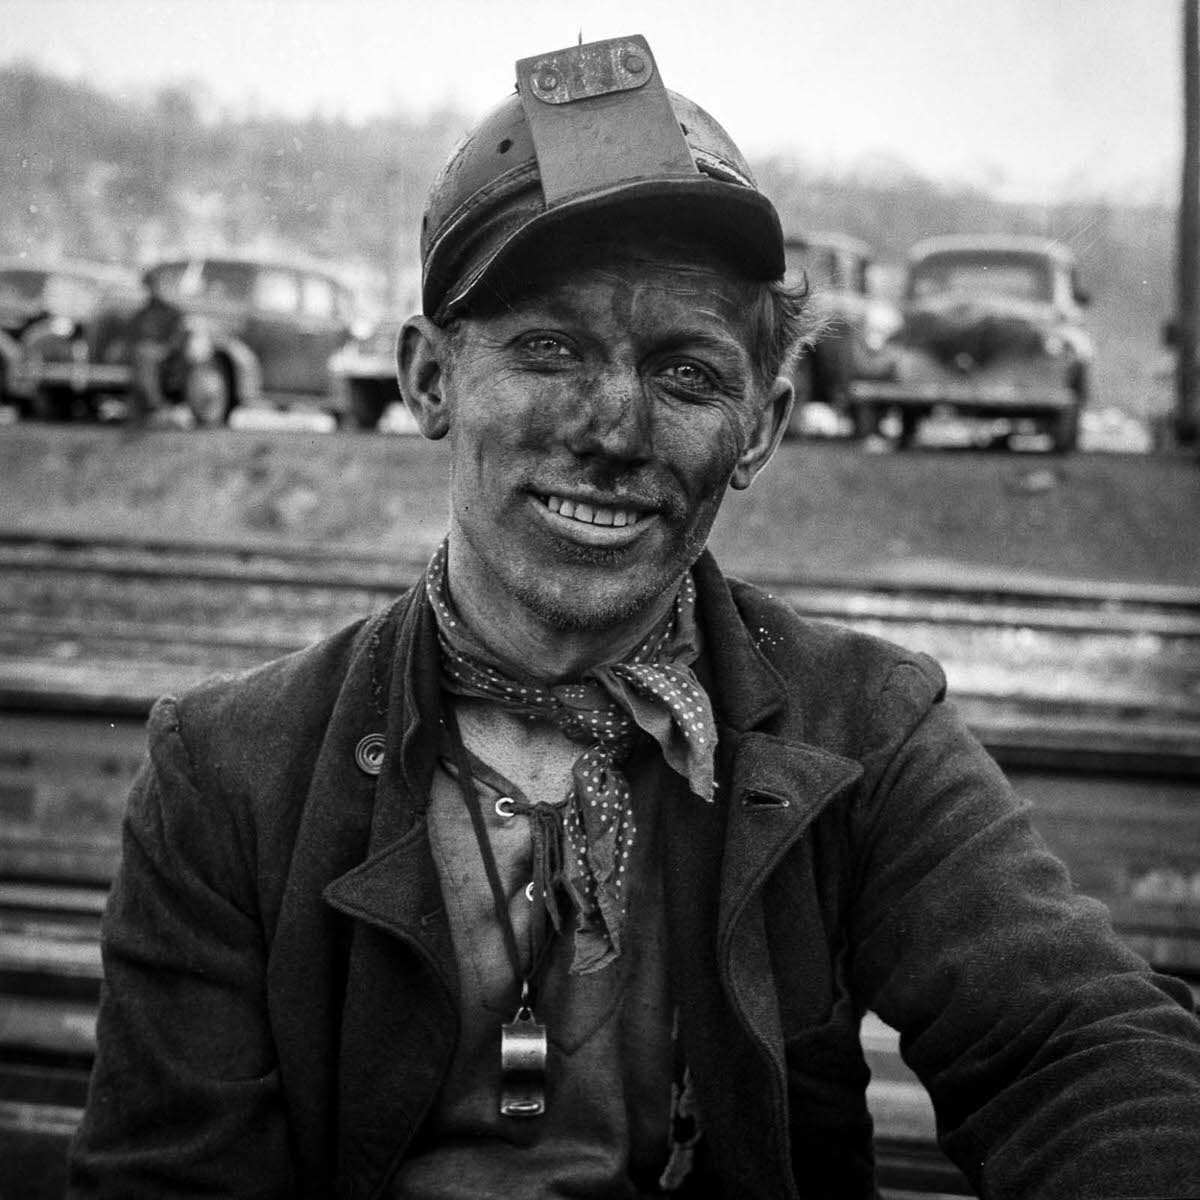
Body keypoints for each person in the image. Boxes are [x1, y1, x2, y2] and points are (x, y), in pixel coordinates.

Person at [68, 34, 1200, 1200]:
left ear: (759, 428)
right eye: (549, 350)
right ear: (429, 382)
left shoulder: (861, 728)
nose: (612, 430)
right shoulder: (231, 772)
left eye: (687, 374)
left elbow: (1080, 1049)